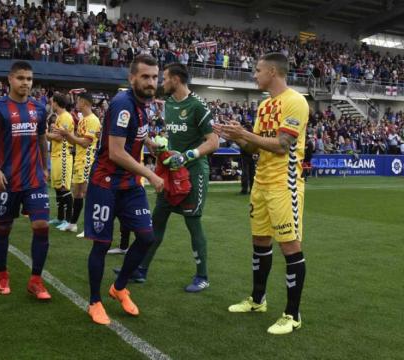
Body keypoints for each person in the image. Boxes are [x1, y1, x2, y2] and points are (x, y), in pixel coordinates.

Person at [216, 53, 309, 335]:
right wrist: (237, 138)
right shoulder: (265, 105)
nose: (254, 75)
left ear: (272, 71)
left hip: (285, 184)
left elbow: (281, 145)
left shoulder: (295, 101)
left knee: (289, 246)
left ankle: (293, 315)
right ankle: (258, 300)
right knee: (259, 241)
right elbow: (254, 149)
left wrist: (246, 134)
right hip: (261, 183)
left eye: (257, 71)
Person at [84, 55, 165, 325]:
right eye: (145, 77)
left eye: (154, 77)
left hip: (129, 185)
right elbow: (117, 153)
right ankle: (94, 302)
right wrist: (150, 174)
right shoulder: (123, 105)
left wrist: (151, 144)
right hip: (105, 184)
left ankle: (118, 287)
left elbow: (135, 136)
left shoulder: (145, 104)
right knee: (102, 244)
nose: (151, 82)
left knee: (145, 237)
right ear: (132, 79)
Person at [129, 63, 219, 292]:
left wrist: (189, 155)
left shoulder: (198, 106)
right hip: (171, 172)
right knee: (157, 220)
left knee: (192, 223)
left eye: (165, 78)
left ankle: (203, 276)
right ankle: (141, 269)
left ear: (177, 79)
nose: (161, 83)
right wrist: (160, 147)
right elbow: (174, 136)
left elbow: (213, 141)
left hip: (194, 172)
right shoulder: (169, 104)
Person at [0, 61, 52, 300]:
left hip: (34, 179)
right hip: (6, 180)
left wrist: (45, 166)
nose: (26, 83)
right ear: (10, 79)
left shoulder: (39, 108)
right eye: (21, 78)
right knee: (3, 228)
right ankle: (2, 275)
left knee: (41, 226)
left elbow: (42, 139)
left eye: (29, 79)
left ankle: (36, 280)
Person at [54, 92, 101, 235]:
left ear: (85, 103)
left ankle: (90, 227)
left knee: (87, 193)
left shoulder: (93, 120)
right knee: (77, 193)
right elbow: (75, 141)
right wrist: (65, 135)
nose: (76, 103)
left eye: (78, 101)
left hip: (87, 159)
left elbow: (86, 143)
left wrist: (68, 135)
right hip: (79, 159)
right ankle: (73, 224)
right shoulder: (82, 120)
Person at [46, 93, 75, 230]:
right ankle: (60, 217)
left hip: (64, 155)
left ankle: (68, 220)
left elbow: (58, 137)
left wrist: (45, 134)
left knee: (64, 187)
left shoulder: (66, 117)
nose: (51, 104)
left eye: (52, 102)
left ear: (56, 103)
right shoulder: (59, 117)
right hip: (56, 155)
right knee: (58, 187)